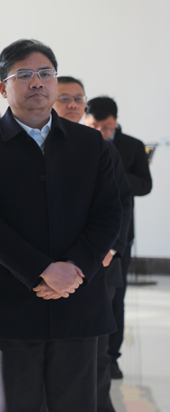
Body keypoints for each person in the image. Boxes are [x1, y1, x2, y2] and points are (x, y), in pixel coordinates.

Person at [0, 39, 122, 411]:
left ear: (55, 82)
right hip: (11, 306)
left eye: (46, 73)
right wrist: (44, 271)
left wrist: (74, 268)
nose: (37, 82)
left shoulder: (90, 143)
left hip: (78, 301)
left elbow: (108, 214)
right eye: (24, 75)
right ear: (4, 88)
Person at [54, 77, 133, 412]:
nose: (73, 104)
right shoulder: (34, 147)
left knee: (96, 351)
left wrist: (109, 250)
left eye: (78, 98)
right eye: (65, 98)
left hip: (100, 265)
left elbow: (120, 202)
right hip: (50, 271)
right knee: (56, 354)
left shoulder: (101, 146)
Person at [84, 96, 153, 380]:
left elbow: (144, 185)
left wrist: (113, 171)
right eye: (95, 126)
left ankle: (112, 357)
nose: (102, 132)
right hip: (87, 238)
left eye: (108, 127)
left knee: (115, 299)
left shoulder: (132, 146)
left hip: (120, 238)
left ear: (116, 122)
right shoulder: (78, 143)